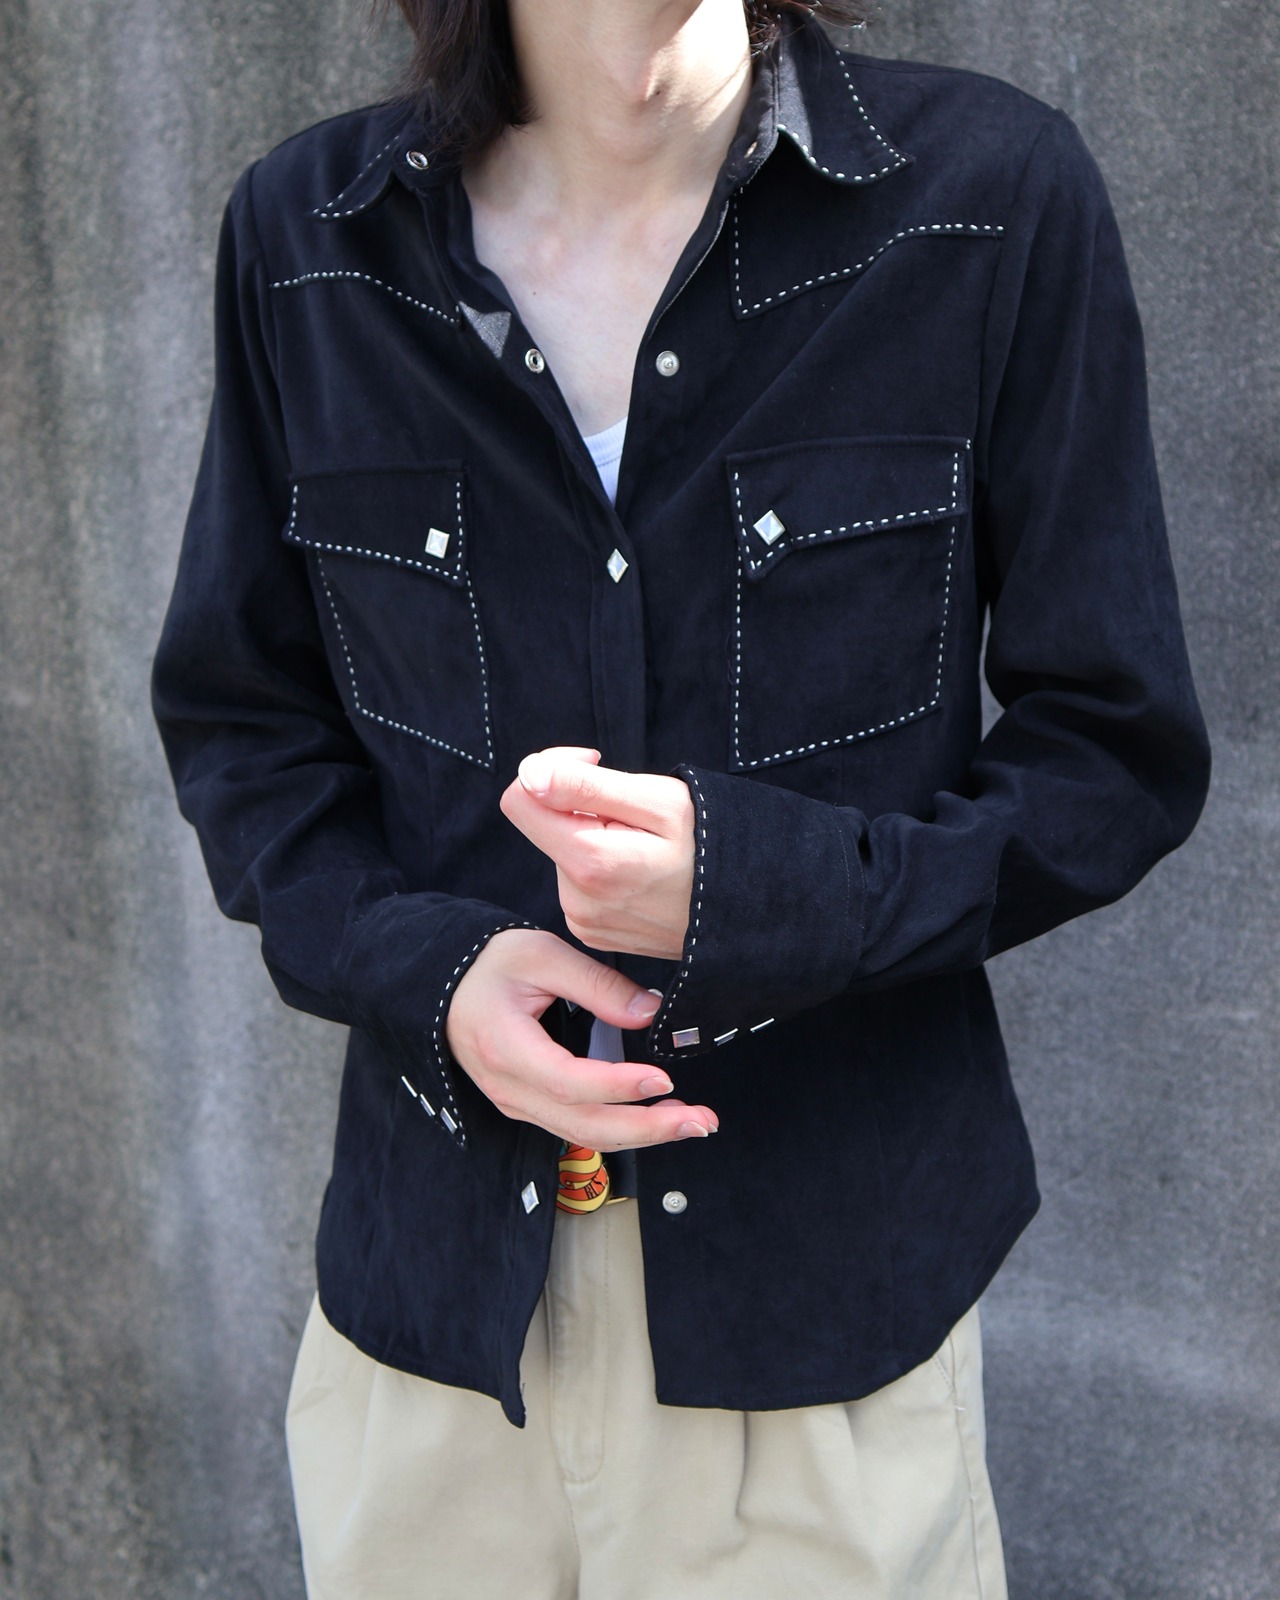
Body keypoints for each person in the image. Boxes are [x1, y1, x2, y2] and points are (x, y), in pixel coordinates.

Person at [151, 0, 1210, 1593]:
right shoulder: (306, 238)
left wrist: (767, 889)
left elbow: (1114, 749)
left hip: (819, 1344)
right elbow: (246, 730)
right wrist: (433, 974)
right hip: (432, 1344)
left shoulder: (989, 200)